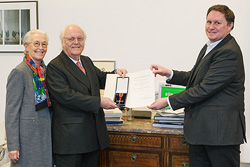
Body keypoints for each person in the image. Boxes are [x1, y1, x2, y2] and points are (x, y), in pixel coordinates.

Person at [148, 4, 246, 167]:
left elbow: (205, 88)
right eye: (208, 22)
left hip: (219, 135)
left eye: (217, 23)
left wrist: (167, 101)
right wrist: (169, 73)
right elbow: (196, 78)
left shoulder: (229, 52)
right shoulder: (211, 46)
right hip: (202, 132)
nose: (211, 27)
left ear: (230, 25)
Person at [46, 24, 127, 167]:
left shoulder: (86, 61)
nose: (76, 42)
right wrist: (99, 102)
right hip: (70, 141)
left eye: (80, 38)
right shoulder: (55, 66)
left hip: (91, 136)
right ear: (63, 41)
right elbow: (67, 96)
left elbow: (101, 78)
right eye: (71, 38)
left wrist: (116, 74)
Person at [5, 30, 53, 167]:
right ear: (26, 47)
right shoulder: (19, 72)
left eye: (44, 44)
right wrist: (13, 145)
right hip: (27, 139)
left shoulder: (47, 70)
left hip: (45, 135)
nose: (41, 47)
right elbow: (11, 112)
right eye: (36, 43)